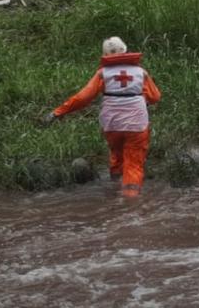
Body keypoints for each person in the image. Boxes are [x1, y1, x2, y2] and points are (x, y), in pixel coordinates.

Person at [43, 37, 161, 198]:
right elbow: (155, 97)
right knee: (133, 164)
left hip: (111, 125)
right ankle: (130, 203)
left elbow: (83, 98)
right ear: (125, 50)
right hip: (137, 124)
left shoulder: (102, 73)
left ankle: (114, 190)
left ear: (105, 54)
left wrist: (57, 112)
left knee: (117, 156)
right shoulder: (141, 72)